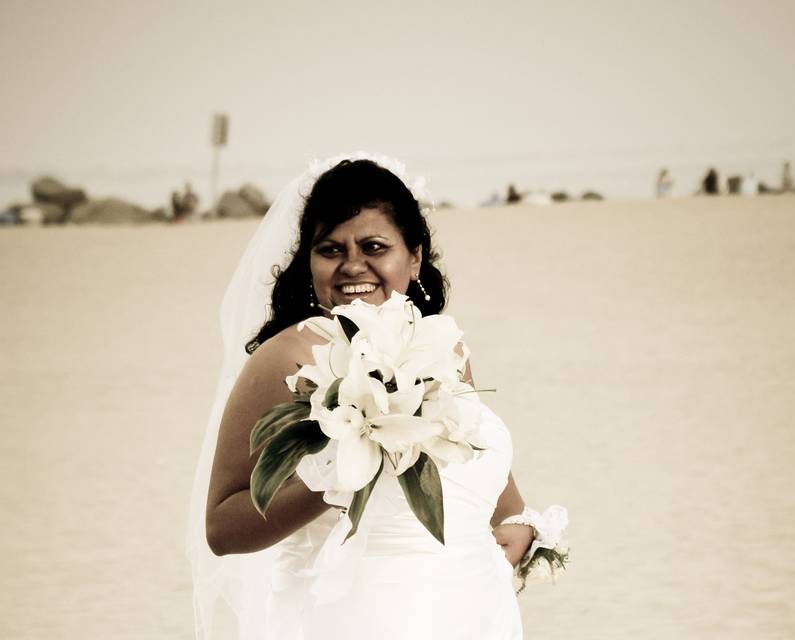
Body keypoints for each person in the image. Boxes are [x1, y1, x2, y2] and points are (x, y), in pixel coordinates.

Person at [187, 154, 560, 640]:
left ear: (415, 257)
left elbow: (495, 497)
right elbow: (222, 528)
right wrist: (338, 476)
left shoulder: (444, 348)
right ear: (310, 260)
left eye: (374, 246)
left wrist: (524, 531)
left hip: (471, 616)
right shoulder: (284, 360)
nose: (352, 266)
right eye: (330, 249)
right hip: (352, 621)